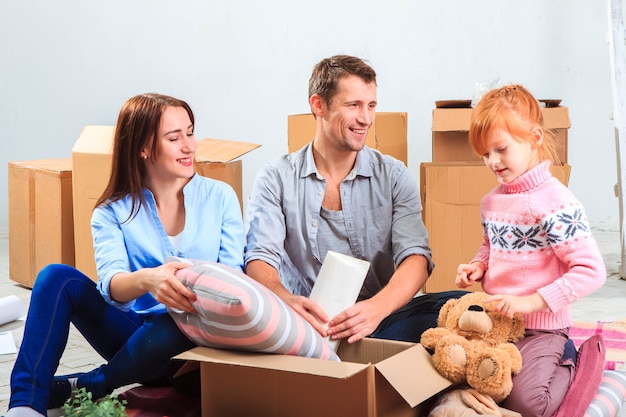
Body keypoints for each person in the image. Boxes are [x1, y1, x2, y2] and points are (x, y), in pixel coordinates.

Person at [7, 93, 244, 417]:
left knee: (174, 322)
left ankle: (92, 383)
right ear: (143, 148)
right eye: (174, 138)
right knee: (55, 278)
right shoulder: (111, 212)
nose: (189, 146)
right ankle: (25, 405)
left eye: (190, 132)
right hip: (132, 341)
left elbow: (234, 276)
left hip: (200, 350)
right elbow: (113, 284)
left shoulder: (220, 197)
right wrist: (150, 279)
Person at [244, 54, 466, 345]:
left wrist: (375, 309)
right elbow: (260, 258)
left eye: (371, 105)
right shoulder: (276, 178)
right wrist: (288, 301)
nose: (366, 118)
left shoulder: (393, 175)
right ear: (318, 105)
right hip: (307, 322)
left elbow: (416, 257)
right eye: (354, 105)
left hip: (382, 318)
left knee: (465, 306)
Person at [455, 84, 606, 417]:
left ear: (534, 138)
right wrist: (478, 266)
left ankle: (575, 360)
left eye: (501, 149)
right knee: (463, 381)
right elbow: (490, 246)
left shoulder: (555, 202)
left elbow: (591, 271)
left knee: (528, 404)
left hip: (543, 326)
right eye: (484, 153)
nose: (492, 161)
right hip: (497, 323)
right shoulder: (492, 201)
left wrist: (532, 301)